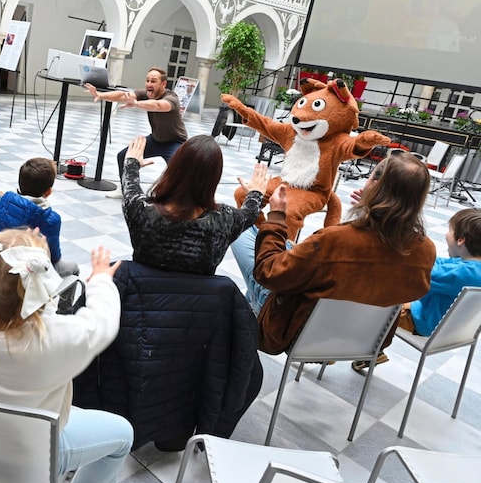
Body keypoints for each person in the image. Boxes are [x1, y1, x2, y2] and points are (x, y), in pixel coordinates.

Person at [0, 229, 133, 483]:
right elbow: (103, 322)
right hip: (28, 458)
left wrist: (15, 247)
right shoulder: (51, 342)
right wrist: (100, 280)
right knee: (122, 434)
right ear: (36, 284)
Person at [232, 153, 437, 355]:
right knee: (285, 245)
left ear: (375, 184)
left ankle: (242, 327)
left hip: (296, 332)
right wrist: (368, 213)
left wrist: (276, 215)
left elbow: (268, 273)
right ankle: (244, 322)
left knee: (242, 227)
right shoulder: (425, 251)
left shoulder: (335, 240)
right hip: (363, 340)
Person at [353, 207, 481, 371]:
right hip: (453, 331)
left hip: (422, 322)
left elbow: (418, 270)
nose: (445, 234)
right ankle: (374, 349)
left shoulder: (461, 274)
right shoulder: (470, 267)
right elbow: (436, 262)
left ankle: (358, 349)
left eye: (449, 231)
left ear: (461, 240)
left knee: (370, 299)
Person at [121, 134, 267, 275]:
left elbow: (130, 189)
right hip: (197, 299)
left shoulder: (141, 212)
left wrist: (131, 163)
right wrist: (256, 193)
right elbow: (250, 213)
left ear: (174, 167)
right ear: (214, 178)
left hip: (143, 295)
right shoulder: (226, 220)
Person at [85, 66, 188, 199]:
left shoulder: (171, 98)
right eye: (147, 81)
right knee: (123, 156)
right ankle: (125, 189)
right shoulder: (146, 93)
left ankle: (181, 198)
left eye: (153, 81)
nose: (149, 84)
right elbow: (124, 95)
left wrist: (137, 104)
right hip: (156, 139)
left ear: (163, 84)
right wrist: (100, 95)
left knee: (178, 168)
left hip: (175, 141)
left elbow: (158, 106)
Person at [0, 157, 79, 276]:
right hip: (30, 269)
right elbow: (53, 257)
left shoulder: (5, 200)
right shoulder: (51, 219)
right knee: (73, 268)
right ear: (49, 192)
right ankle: (58, 294)